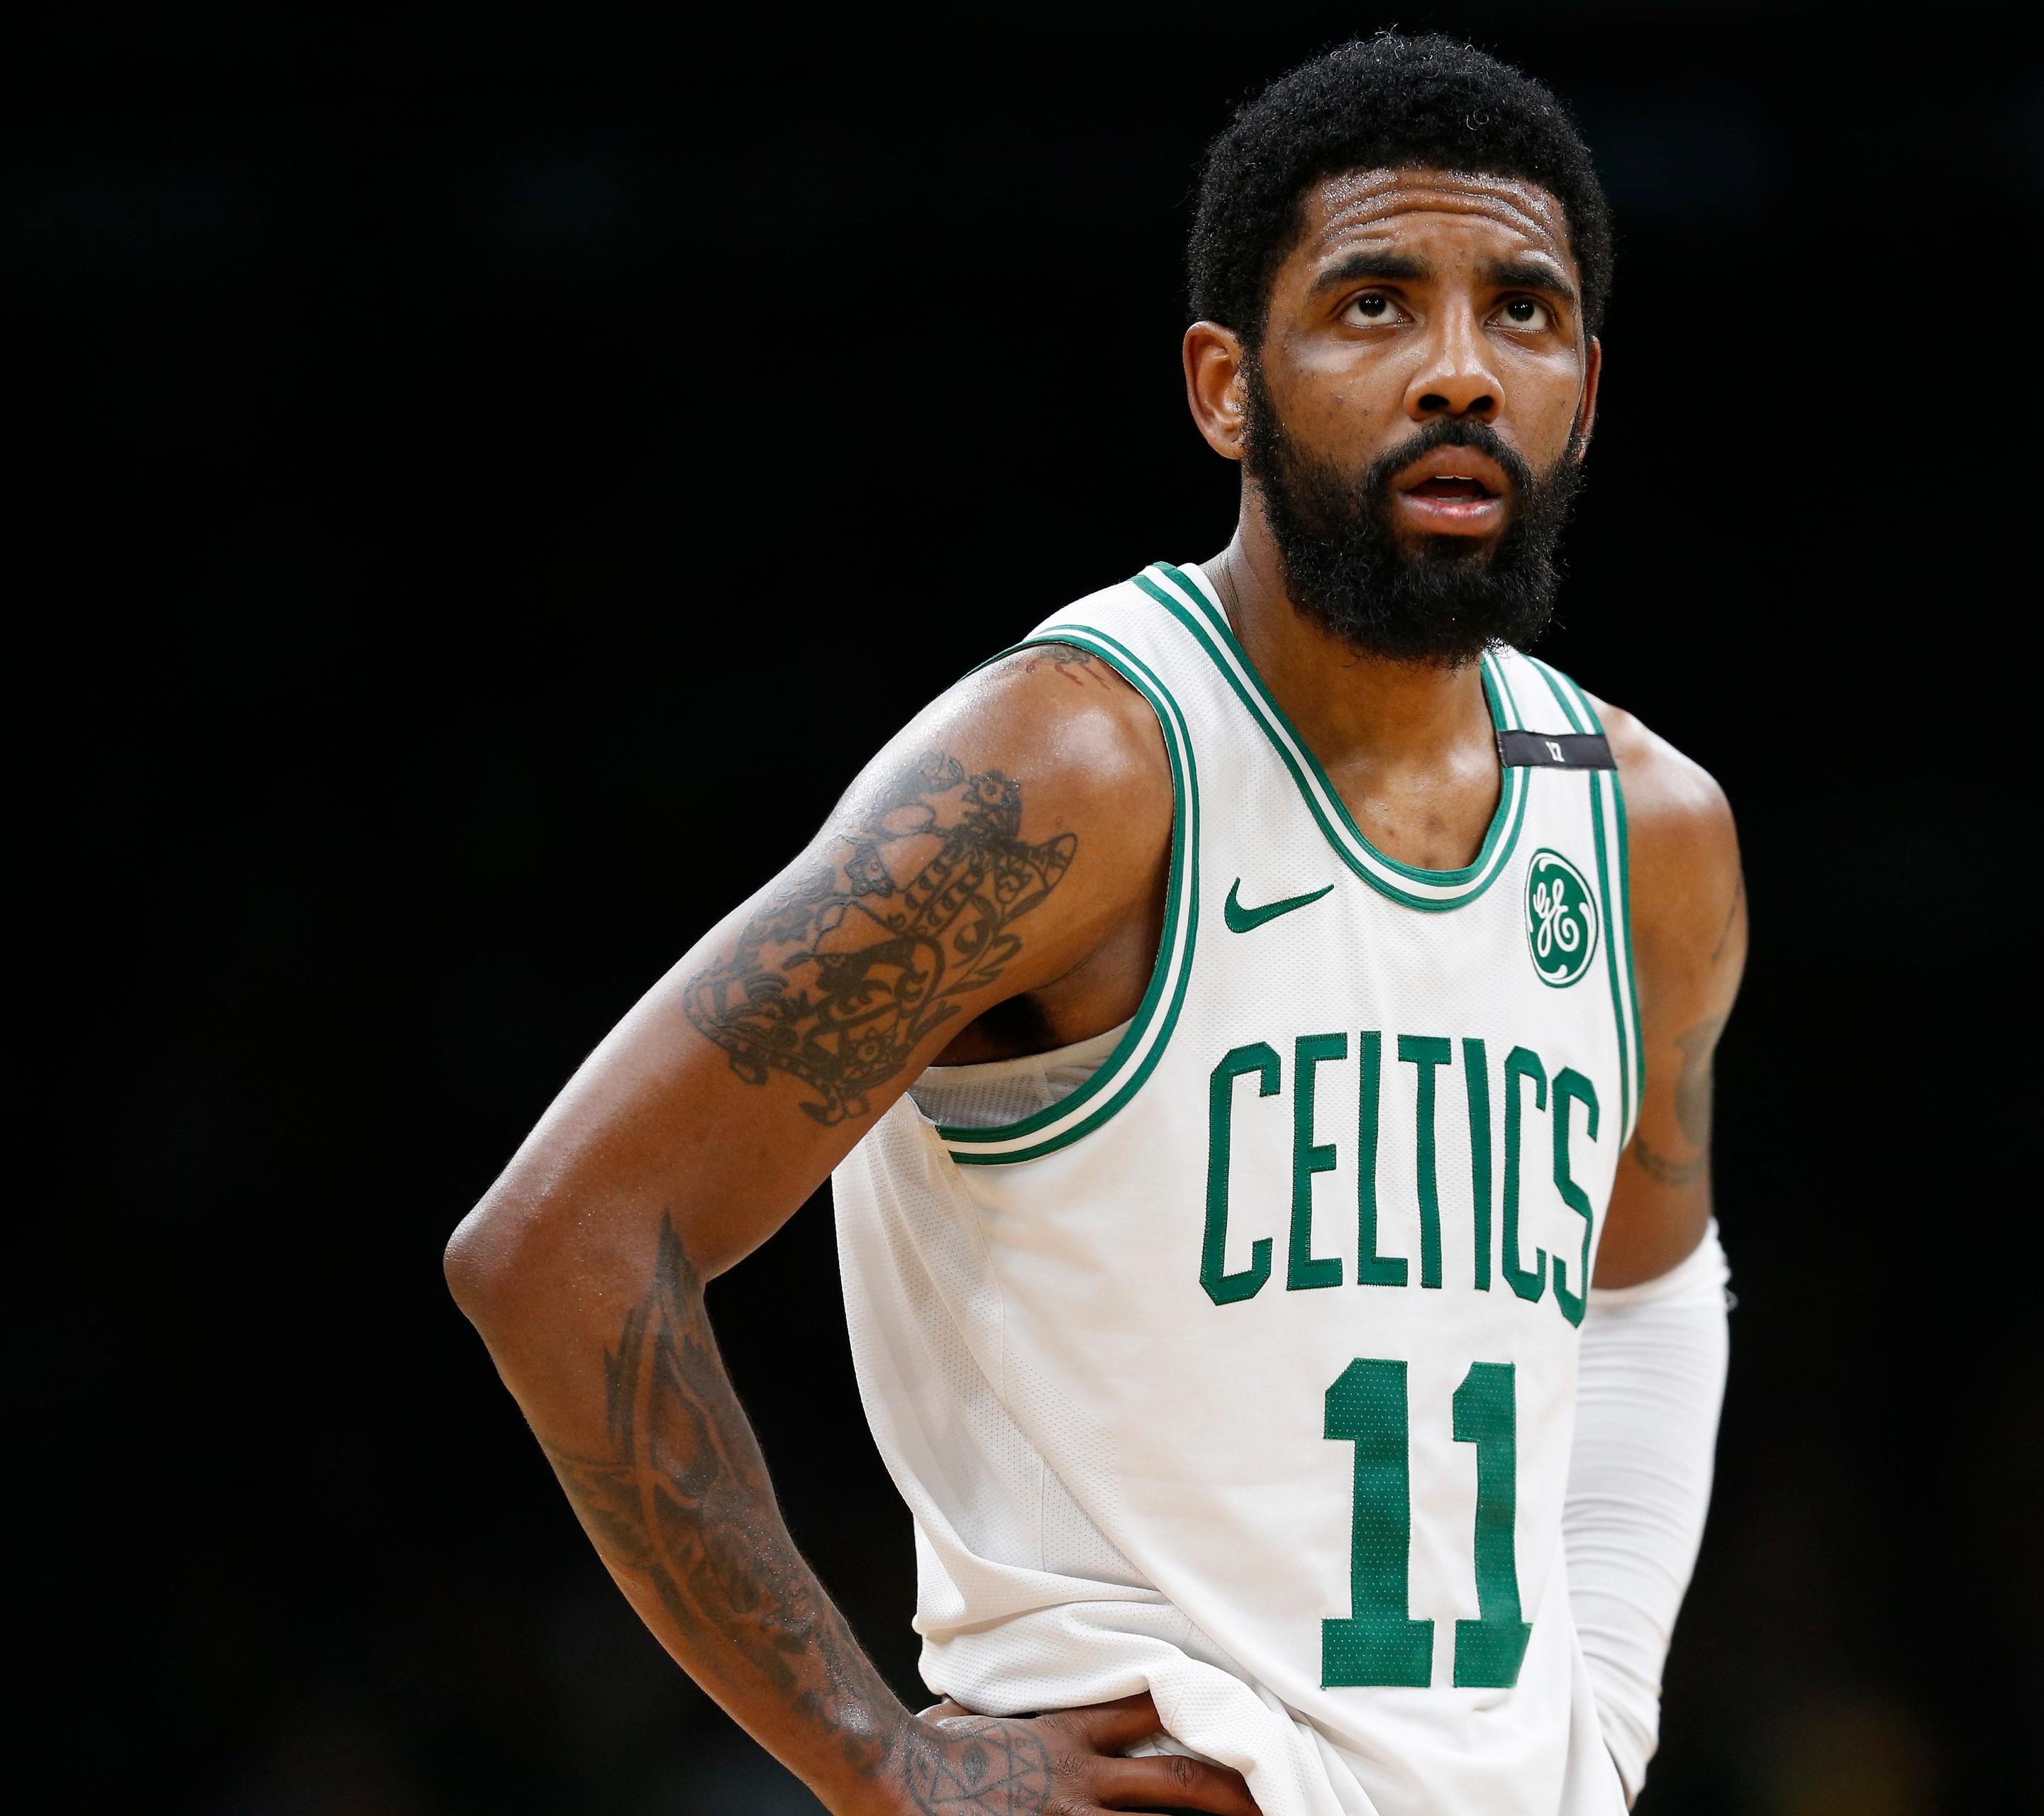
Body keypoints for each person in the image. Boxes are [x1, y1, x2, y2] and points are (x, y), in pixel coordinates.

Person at [447, 33, 1742, 1816]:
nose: (1459, 369)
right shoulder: (1076, 768)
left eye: (1521, 312)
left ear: (1584, 390)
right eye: (1374, 304)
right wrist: (875, 1759)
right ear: (1227, 384)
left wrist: (1602, 1709)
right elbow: (560, 1238)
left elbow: (1652, 1292)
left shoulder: (1649, 825)